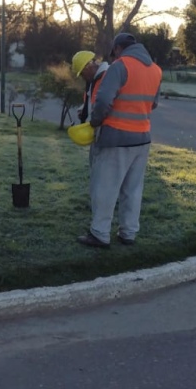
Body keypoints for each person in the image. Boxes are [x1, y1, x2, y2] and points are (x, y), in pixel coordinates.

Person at [77, 33, 162, 249]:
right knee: (132, 190)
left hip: (115, 137)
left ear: (117, 49)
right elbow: (153, 104)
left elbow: (104, 100)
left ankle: (99, 233)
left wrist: (94, 123)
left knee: (104, 188)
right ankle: (128, 233)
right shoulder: (155, 70)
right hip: (142, 138)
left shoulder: (119, 66)